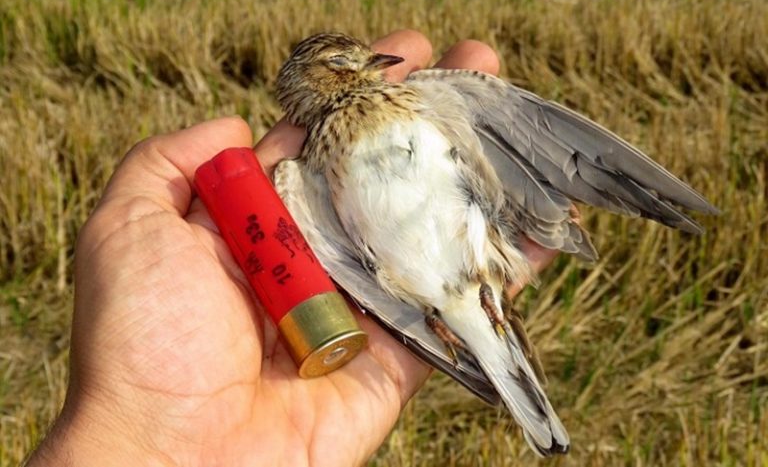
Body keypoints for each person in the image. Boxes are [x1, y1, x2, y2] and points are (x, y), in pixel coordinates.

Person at [26, 30, 558, 467]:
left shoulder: (415, 101)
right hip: (420, 296)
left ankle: (494, 340)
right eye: (347, 65)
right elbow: (352, 272)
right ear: (323, 80)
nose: (372, 67)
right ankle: (491, 353)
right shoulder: (299, 180)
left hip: (473, 266)